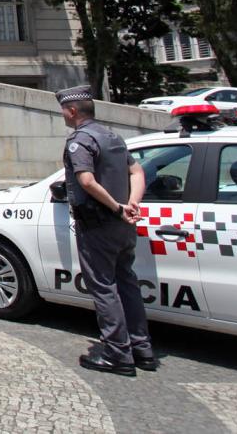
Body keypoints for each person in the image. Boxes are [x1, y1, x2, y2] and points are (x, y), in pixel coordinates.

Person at [57, 85, 156, 376]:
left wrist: (116, 207)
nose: (62, 113)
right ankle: (142, 348)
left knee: (104, 289)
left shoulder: (80, 141)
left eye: (63, 109)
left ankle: (117, 353)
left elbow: (86, 181)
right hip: (124, 225)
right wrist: (131, 204)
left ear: (72, 111)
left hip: (99, 224)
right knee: (127, 283)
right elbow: (137, 172)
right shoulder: (113, 137)